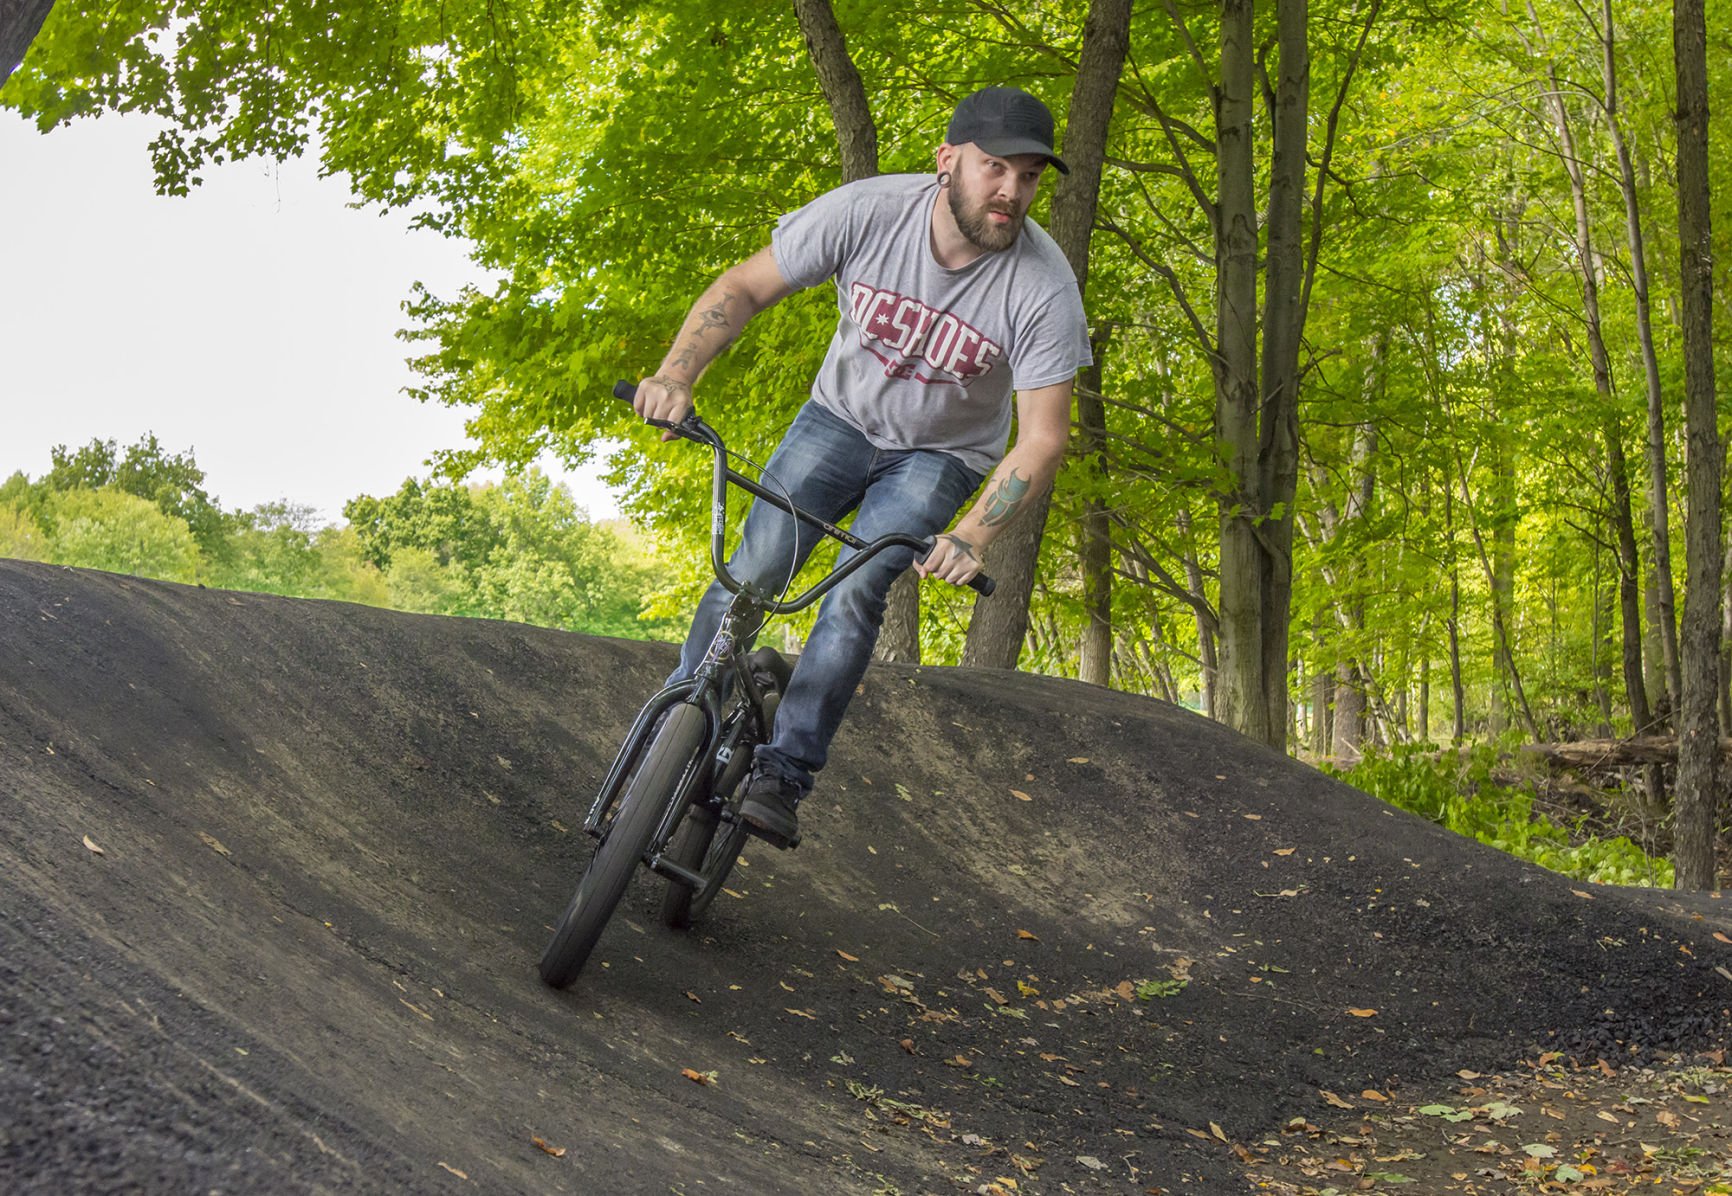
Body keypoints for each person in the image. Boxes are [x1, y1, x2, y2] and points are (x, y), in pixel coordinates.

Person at [633, 85, 1091, 849]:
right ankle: (684, 717)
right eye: (994, 168)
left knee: (853, 595)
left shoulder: (1042, 288)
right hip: (836, 422)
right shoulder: (868, 212)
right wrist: (676, 377)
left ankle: (784, 771)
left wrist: (973, 534)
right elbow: (744, 287)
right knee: (753, 570)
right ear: (947, 161)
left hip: (938, 457)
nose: (1012, 191)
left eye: (1030, 176)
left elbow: (1042, 437)